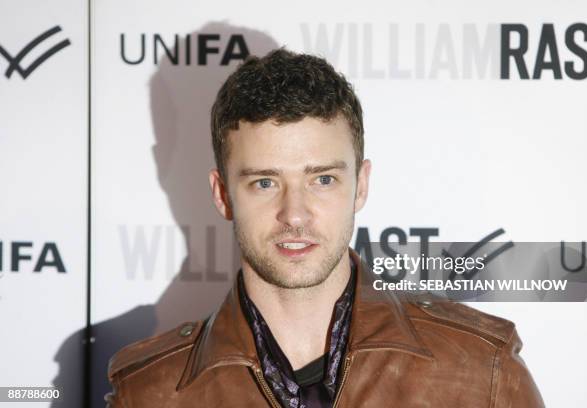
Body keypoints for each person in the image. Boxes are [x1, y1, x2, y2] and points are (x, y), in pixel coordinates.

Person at [105, 49, 544, 407]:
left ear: (361, 185)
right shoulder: (148, 393)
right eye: (264, 182)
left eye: (322, 180)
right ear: (222, 195)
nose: (294, 214)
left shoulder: (481, 372)